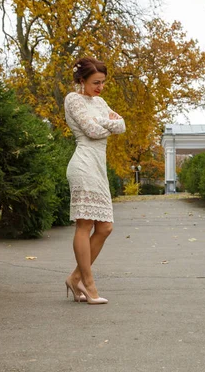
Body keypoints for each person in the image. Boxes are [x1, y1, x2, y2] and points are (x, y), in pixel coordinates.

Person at [63, 57, 126, 305]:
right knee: (85, 224)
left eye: (102, 83)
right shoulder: (73, 99)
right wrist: (107, 123)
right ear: (82, 80)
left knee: (105, 227)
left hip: (98, 169)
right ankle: (88, 283)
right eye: (95, 82)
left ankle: (75, 277)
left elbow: (121, 125)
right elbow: (91, 132)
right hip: (82, 165)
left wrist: (104, 123)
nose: (100, 88)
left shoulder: (99, 102)